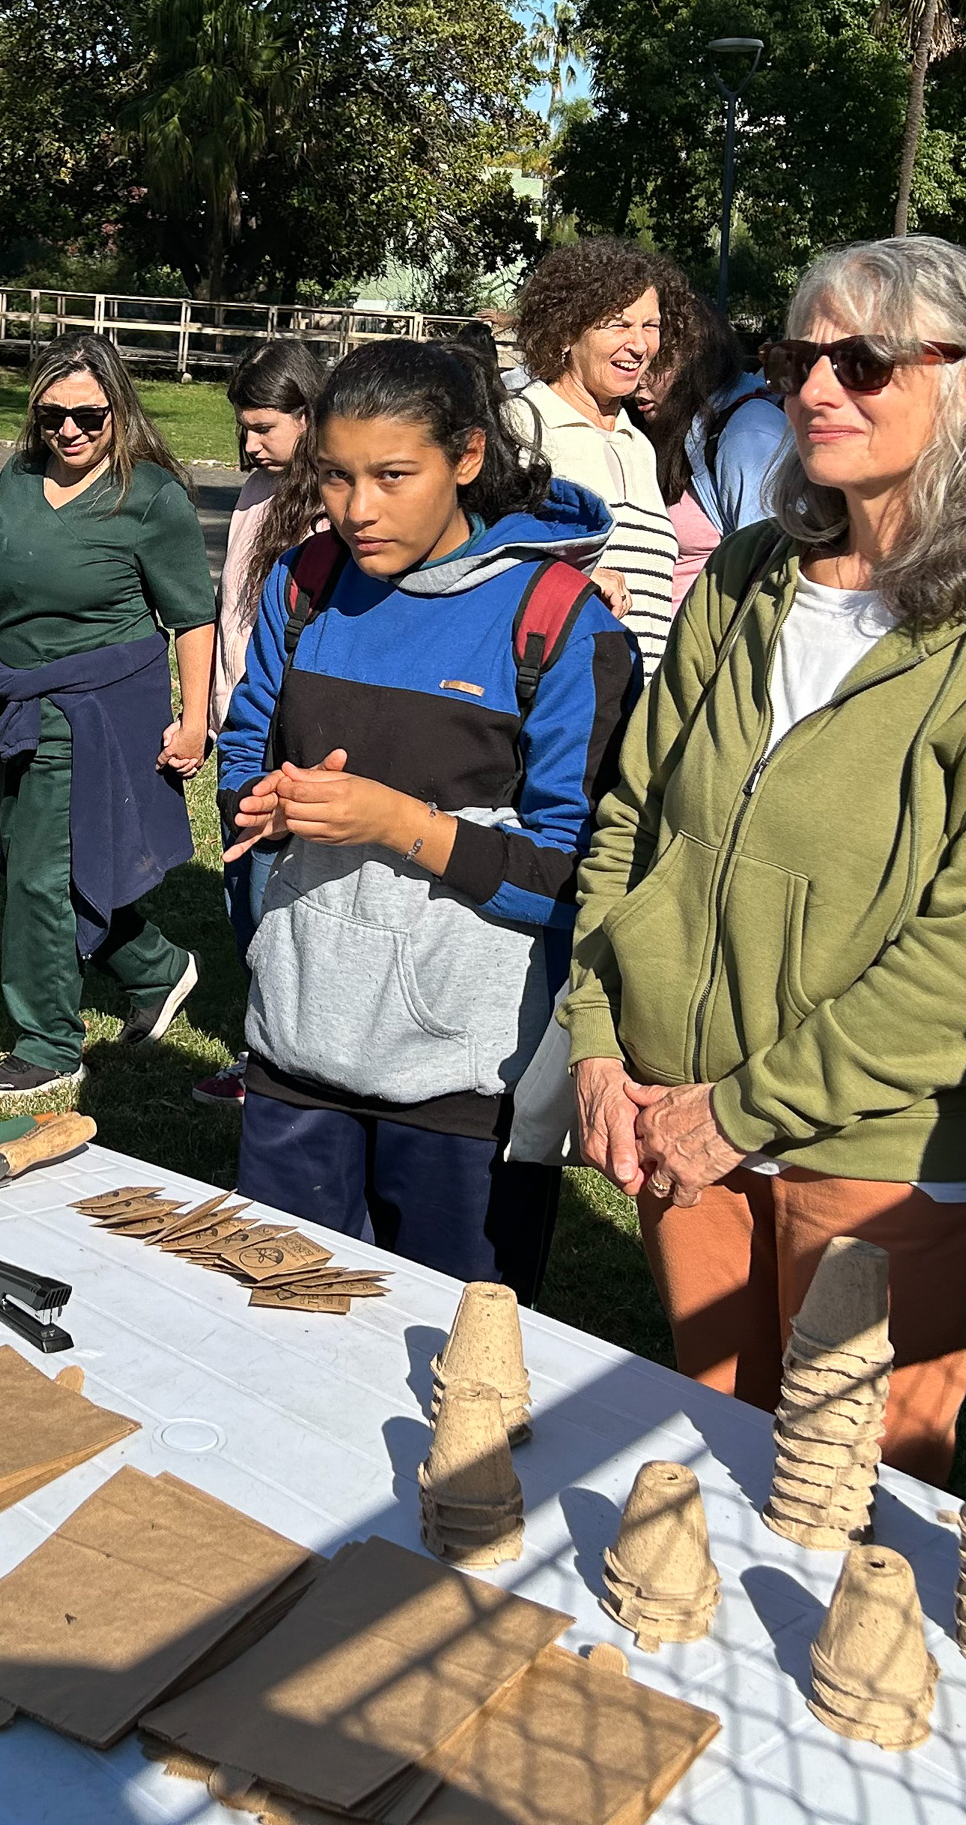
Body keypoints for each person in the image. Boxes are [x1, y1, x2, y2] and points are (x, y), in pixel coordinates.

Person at [563, 234, 966, 1484]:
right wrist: (596, 1035)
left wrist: (736, 1114)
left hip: (879, 1155)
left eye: (862, 362)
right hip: (675, 1114)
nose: (815, 387)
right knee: (706, 1471)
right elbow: (631, 817)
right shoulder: (748, 573)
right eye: (795, 357)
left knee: (846, 1510)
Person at [219, 341, 638, 1298]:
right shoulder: (302, 582)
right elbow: (242, 754)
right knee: (277, 1326)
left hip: (465, 1082)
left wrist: (397, 822)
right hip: (294, 1047)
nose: (357, 509)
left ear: (469, 457)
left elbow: (575, 878)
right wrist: (262, 804)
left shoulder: (559, 619)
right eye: (335, 476)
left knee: (449, 1356)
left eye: (393, 476)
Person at [0, 333, 218, 1099]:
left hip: (93, 713)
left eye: (89, 416)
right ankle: (156, 968)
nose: (69, 430)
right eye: (52, 416)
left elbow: (192, 617)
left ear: (119, 411)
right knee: (30, 857)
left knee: (40, 876)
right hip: (11, 699)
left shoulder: (151, 497)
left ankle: (48, 1043)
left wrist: (194, 719)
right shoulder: (16, 478)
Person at [196, 337, 327, 1109]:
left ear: (309, 416)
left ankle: (283, 1063)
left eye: (264, 428)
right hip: (239, 728)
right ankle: (266, 1051)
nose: (249, 444)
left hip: (291, 735)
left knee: (277, 902)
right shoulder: (255, 491)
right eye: (243, 427)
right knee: (241, 894)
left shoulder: (332, 511)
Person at [516, 238, 685, 676]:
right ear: (565, 333)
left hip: (638, 701)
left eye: (651, 325)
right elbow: (475, 557)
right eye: (618, 325)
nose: (639, 344)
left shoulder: (639, 444)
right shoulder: (522, 423)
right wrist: (569, 580)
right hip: (558, 693)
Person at [643, 294, 781, 610]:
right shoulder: (684, 428)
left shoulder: (748, 432)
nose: (641, 381)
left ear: (696, 362)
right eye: (639, 363)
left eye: (657, 365)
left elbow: (766, 573)